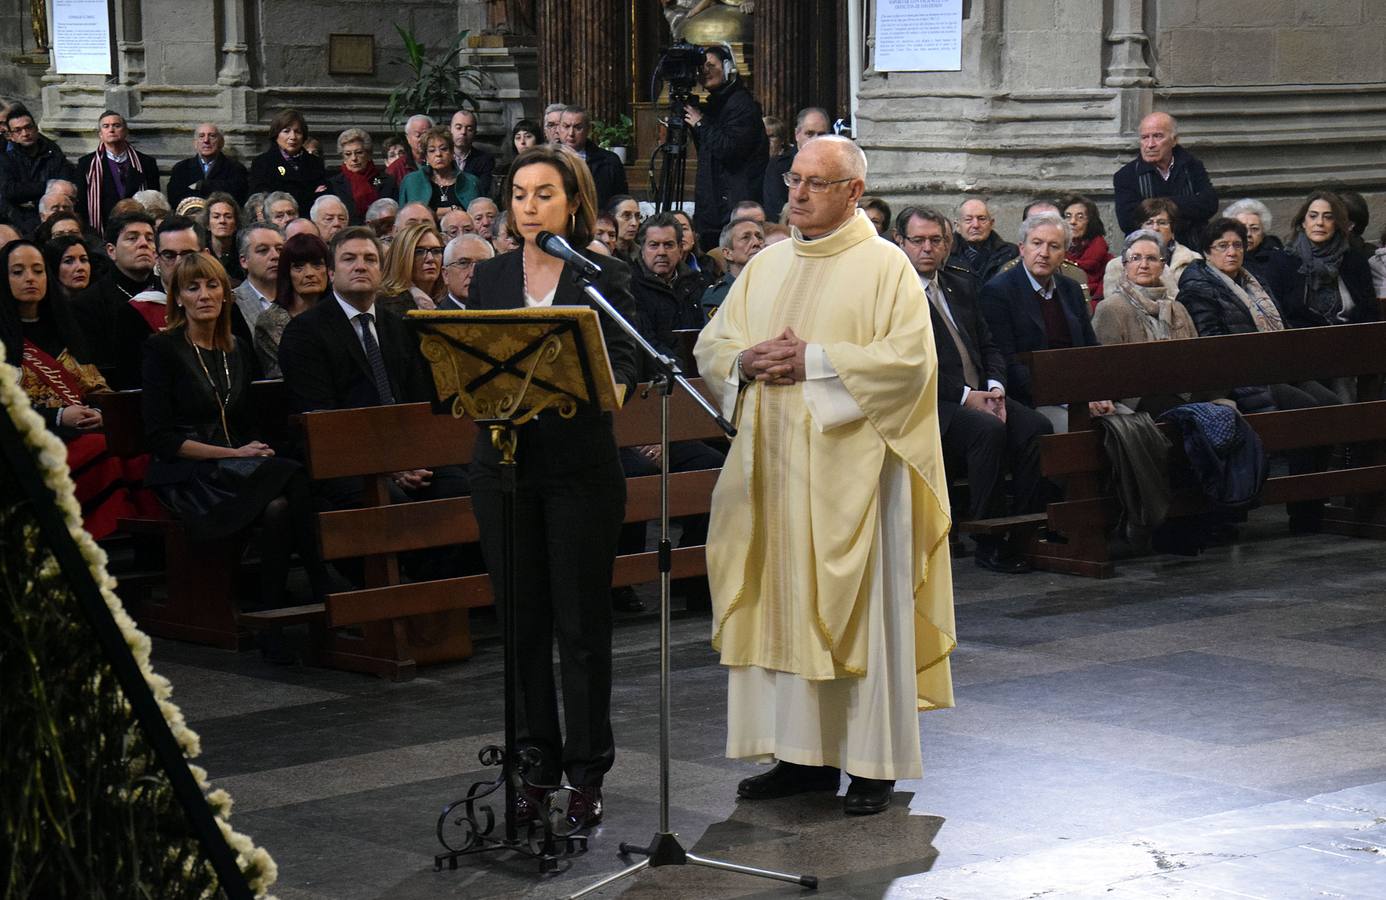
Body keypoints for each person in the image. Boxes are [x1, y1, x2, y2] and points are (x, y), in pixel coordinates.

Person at [692, 136, 954, 817]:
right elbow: (713, 344)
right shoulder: (768, 263)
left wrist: (813, 362)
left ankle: (872, 765)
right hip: (771, 475)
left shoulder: (885, 267)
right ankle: (800, 758)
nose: (797, 194)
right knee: (780, 607)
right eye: (794, 180)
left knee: (863, 618)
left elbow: (909, 366)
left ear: (853, 193)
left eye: (815, 183)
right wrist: (744, 363)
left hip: (857, 481)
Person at [465, 144, 640, 830]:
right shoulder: (493, 276)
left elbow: (624, 363)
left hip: (579, 471)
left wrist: (600, 386)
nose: (530, 206)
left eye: (545, 194)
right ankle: (533, 765)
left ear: (573, 202)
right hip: (503, 468)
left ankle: (587, 771)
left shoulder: (603, 274)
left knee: (580, 625)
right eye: (520, 194)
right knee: (522, 626)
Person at [141, 252, 332, 610]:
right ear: (178, 298)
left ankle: (270, 612)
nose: (204, 295)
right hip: (188, 477)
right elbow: (161, 438)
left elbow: (247, 423)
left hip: (235, 470)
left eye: (213, 285)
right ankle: (321, 584)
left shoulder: (237, 348)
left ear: (225, 293)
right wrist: (234, 454)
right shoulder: (162, 349)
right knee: (293, 475)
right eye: (192, 287)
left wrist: (251, 451)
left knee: (279, 507)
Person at [895, 206, 1051, 573]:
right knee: (987, 431)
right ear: (899, 242)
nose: (927, 248)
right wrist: (968, 397)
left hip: (982, 392)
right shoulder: (892, 294)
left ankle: (1025, 533)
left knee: (1035, 428)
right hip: (931, 403)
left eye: (936, 240)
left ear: (949, 243)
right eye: (918, 240)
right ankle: (989, 540)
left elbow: (989, 344)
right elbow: (910, 366)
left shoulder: (960, 282)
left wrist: (995, 387)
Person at [1178, 217, 1342, 532]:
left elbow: (1280, 323)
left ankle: (1313, 501)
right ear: (1207, 252)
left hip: (1277, 368)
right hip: (1241, 379)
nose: (1231, 252)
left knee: (1332, 406)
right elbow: (1213, 344)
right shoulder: (1198, 286)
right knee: (1309, 411)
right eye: (1222, 246)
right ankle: (1304, 511)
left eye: (1237, 245)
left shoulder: (1253, 280)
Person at [6, 237, 154, 538]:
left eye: (37, 270)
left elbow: (96, 385)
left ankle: (153, 539)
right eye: (18, 271)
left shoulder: (65, 329)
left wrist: (103, 412)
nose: (30, 278)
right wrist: (60, 417)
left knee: (138, 447)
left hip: (87, 427)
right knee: (102, 449)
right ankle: (108, 537)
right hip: (30, 442)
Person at [981, 211, 1113, 433]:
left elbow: (1090, 348)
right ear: (1022, 249)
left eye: (1054, 246)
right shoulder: (998, 292)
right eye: (1037, 243)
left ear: (1064, 253)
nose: (1044, 253)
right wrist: (1074, 398)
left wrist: (1098, 391)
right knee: (1085, 431)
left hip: (1080, 391)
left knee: (1136, 425)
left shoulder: (1070, 288)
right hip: (1034, 398)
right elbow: (1009, 364)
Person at [1091, 230, 1199, 416]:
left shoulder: (1178, 308)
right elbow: (1105, 370)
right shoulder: (1110, 308)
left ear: (1162, 265)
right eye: (1135, 258)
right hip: (1137, 397)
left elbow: (1197, 358)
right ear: (1125, 265)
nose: (1143, 265)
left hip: (1183, 390)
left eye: (1151, 258)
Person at [685, 45, 769, 249]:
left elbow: (730, 149)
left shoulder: (741, 104)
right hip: (714, 208)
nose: (705, 70)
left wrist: (700, 124)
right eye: (701, 66)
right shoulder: (716, 105)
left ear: (728, 67)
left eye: (711, 65)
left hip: (731, 209)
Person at [1267, 190, 1378, 330]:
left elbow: (1370, 314)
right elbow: (1276, 316)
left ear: (1337, 224)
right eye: (1313, 216)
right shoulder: (1282, 262)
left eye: (1328, 217)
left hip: (1351, 342)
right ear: (1303, 222)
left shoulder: (1355, 261)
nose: (1320, 223)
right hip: (1298, 344)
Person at [1113, 112, 1217, 247]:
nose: (1150, 144)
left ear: (1174, 140)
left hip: (1193, 247)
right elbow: (1127, 221)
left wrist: (1155, 204)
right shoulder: (1127, 175)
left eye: (1157, 136)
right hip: (1147, 250)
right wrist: (1185, 207)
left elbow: (1209, 204)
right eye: (1145, 137)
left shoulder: (1192, 166)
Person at [630, 213, 706, 371]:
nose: (661, 252)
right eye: (654, 245)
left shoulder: (697, 282)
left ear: (680, 249)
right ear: (642, 249)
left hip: (699, 372)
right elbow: (645, 342)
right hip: (654, 377)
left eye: (669, 245)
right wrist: (680, 370)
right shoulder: (630, 285)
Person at [254, 232, 329, 377]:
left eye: (317, 264)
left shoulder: (342, 312)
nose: (309, 273)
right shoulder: (270, 322)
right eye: (298, 267)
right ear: (287, 273)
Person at [77, 111, 161, 234]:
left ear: (126, 131)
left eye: (116, 125)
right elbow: (81, 204)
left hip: (138, 228)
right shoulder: (86, 164)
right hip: (102, 231)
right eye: (106, 126)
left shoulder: (146, 163)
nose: (111, 130)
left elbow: (155, 202)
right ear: (100, 134)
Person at [0, 104, 78, 235]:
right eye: (18, 130)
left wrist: (27, 194)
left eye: (28, 127)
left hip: (52, 218)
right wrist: (48, 186)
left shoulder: (53, 153)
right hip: (18, 221)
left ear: (36, 129)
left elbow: (64, 187)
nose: (25, 134)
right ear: (11, 136)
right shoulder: (5, 158)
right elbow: (10, 190)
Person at [1102, 197, 1201, 298]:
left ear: (1173, 230)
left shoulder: (1193, 260)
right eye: (1149, 223)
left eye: (1162, 223)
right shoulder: (1117, 266)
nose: (1155, 228)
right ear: (1140, 228)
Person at [247, 109, 328, 216]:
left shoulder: (315, 162)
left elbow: (324, 196)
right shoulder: (263, 163)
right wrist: (309, 195)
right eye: (286, 131)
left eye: (298, 132)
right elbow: (262, 199)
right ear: (276, 135)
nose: (293, 137)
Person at [761, 107, 830, 220]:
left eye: (821, 134)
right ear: (797, 134)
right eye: (809, 133)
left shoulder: (834, 166)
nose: (815, 140)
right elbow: (775, 209)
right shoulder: (778, 166)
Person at [397, 126, 480, 217]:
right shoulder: (411, 181)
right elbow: (404, 218)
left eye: (444, 149)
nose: (438, 154)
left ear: (452, 153)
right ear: (426, 157)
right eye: (432, 150)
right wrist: (453, 209)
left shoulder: (471, 182)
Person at [558, 105, 628, 209]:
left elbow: (621, 202)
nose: (571, 133)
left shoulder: (609, 161)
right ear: (559, 128)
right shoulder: (546, 159)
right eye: (566, 126)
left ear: (588, 130)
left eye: (578, 127)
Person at [167, 122, 250, 208]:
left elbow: (238, 197)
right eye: (201, 136)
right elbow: (174, 198)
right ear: (195, 143)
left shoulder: (236, 168)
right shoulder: (181, 168)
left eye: (212, 136)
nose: (206, 140)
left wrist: (202, 186)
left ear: (221, 142)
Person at [327, 128, 398, 226]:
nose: (354, 158)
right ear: (343, 158)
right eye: (348, 154)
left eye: (359, 152)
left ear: (368, 154)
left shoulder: (386, 181)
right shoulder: (334, 184)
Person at [700, 216, 763, 318]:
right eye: (746, 237)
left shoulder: (775, 286)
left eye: (759, 237)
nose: (756, 243)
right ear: (728, 253)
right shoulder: (718, 296)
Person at [377, 221, 444, 315]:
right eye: (419, 251)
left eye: (436, 251)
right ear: (401, 257)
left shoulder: (446, 301)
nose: (430, 258)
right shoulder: (387, 305)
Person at [1222, 198, 1288, 289]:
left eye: (1255, 229)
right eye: (1242, 228)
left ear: (1263, 232)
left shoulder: (1278, 260)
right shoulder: (1220, 258)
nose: (1248, 234)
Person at [949, 198, 1018, 284]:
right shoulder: (946, 254)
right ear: (957, 226)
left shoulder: (1010, 253)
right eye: (968, 220)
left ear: (991, 223)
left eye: (981, 219)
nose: (976, 225)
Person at [232, 223, 284, 331]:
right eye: (263, 250)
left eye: (280, 249)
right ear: (244, 261)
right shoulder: (233, 302)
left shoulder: (297, 297)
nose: (275, 256)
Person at [1061, 194, 1111, 304]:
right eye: (1068, 216)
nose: (1072, 221)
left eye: (1080, 217)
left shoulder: (1107, 262)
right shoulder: (1056, 256)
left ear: (1090, 222)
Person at [438, 233, 494, 309]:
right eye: (463, 263)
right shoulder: (434, 319)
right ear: (446, 275)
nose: (473, 273)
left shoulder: (508, 315)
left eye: (482, 264)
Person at [201, 191, 244, 284]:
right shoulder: (200, 252)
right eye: (216, 217)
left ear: (236, 223)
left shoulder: (244, 250)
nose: (222, 221)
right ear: (207, 224)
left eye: (228, 216)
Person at [450, 109, 495, 197]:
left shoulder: (485, 160)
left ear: (475, 133)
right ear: (450, 130)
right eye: (458, 128)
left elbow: (482, 190)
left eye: (469, 129)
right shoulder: (441, 157)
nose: (463, 132)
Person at [385, 114, 434, 182]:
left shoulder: (441, 162)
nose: (422, 139)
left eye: (426, 134)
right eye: (418, 135)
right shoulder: (395, 169)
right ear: (408, 138)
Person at [603, 195, 642, 261]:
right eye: (626, 216)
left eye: (637, 216)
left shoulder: (643, 255)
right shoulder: (600, 252)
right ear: (611, 218)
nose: (634, 223)